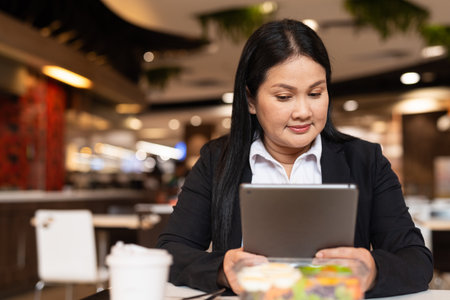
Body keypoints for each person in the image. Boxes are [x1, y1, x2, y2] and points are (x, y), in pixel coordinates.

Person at [157, 19, 433, 298]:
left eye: (315, 93)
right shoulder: (217, 160)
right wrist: (222, 269)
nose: (303, 111)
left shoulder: (365, 160)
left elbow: (416, 261)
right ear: (250, 100)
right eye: (284, 96)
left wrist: (371, 270)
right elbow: (171, 252)